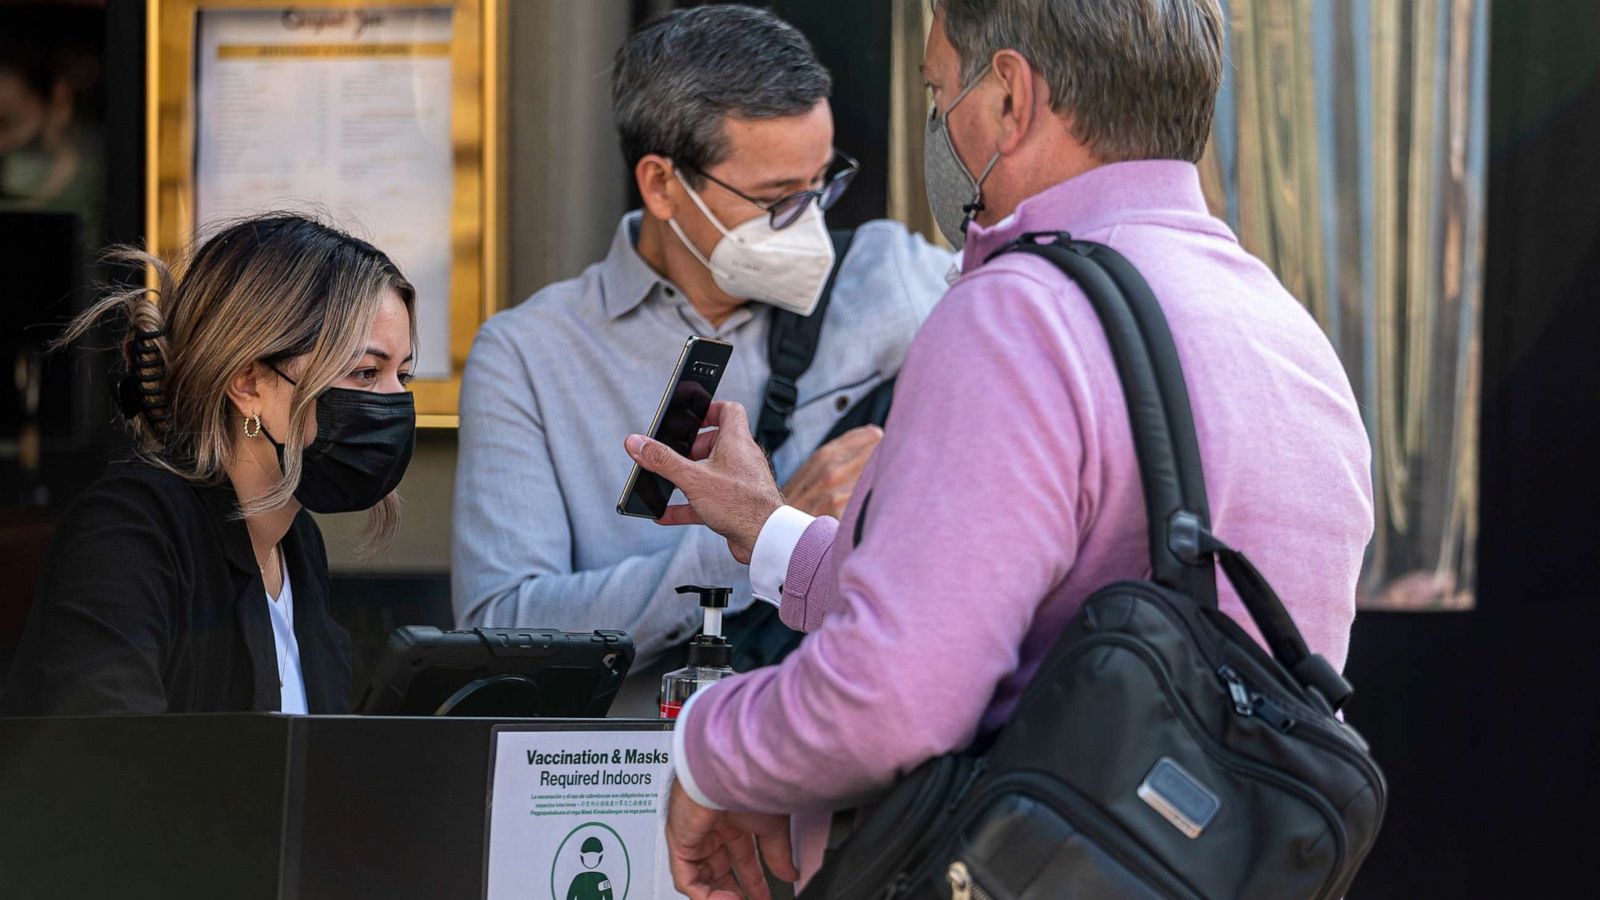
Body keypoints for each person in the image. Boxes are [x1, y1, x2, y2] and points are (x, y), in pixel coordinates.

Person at [620, 1, 1376, 895]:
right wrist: (772, 530)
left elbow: (889, 701)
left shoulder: (1020, 313)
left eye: (942, 90)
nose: (939, 125)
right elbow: (1017, 619)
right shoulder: (1284, 332)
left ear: (1010, 98)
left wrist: (710, 750)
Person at [451, 5, 952, 711]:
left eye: (823, 184)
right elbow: (501, 627)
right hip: (642, 782)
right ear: (661, 184)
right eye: (778, 199)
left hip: (845, 758)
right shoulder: (531, 355)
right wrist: (756, 534)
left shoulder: (890, 274)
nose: (809, 221)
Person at [0, 214, 419, 716]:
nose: (395, 402)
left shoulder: (296, 545)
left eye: (404, 376)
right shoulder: (130, 532)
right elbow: (102, 764)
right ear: (248, 384)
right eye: (366, 372)